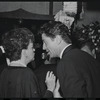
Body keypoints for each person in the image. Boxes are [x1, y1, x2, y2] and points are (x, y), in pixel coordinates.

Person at [39, 20, 100, 98]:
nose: (44, 47)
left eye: (45, 42)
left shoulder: (66, 63)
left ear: (58, 39)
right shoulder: (86, 56)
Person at [0, 28, 56, 98]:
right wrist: (50, 89)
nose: (34, 50)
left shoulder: (4, 72)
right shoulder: (27, 74)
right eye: (32, 47)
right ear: (24, 52)